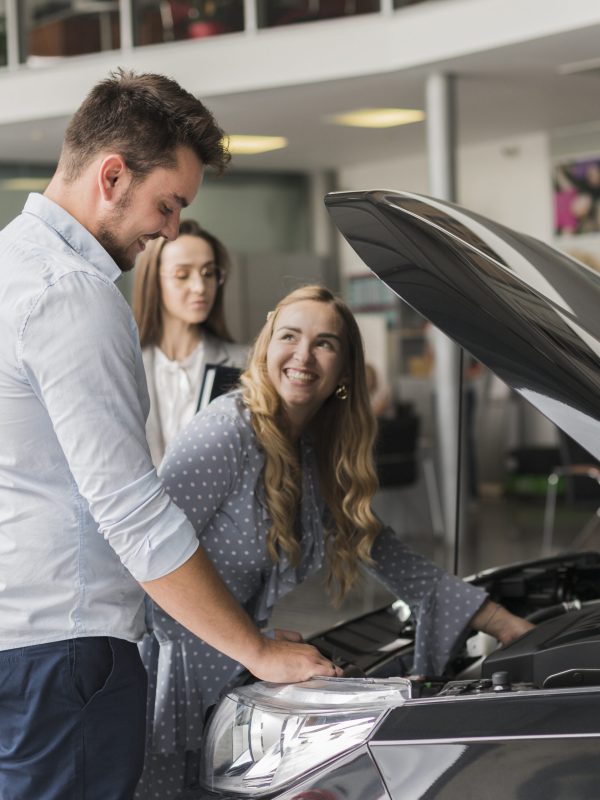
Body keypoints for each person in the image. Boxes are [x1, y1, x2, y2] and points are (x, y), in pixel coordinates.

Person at [0, 71, 338, 800]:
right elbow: (132, 512)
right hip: (63, 658)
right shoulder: (74, 296)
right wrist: (252, 649)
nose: (172, 230)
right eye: (169, 203)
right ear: (111, 174)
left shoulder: (7, 269)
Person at [136, 284, 533, 798]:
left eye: (324, 343)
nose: (303, 355)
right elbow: (147, 561)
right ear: (266, 348)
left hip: (229, 673)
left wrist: (501, 622)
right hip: (170, 686)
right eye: (290, 336)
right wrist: (254, 647)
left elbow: (380, 548)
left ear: (345, 372)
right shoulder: (227, 431)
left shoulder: (312, 450)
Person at [133, 220, 248, 467]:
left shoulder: (245, 364)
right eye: (182, 275)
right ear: (153, 280)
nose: (199, 287)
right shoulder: (126, 366)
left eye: (208, 273)